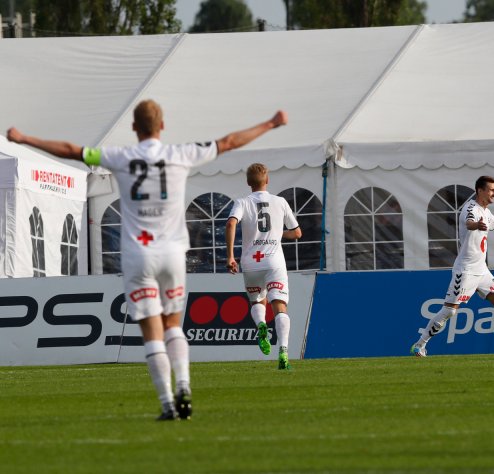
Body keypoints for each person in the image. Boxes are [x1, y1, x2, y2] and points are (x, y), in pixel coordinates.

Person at [6, 100, 288, 420]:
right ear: (162, 126)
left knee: (151, 332)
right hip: (172, 254)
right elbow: (229, 142)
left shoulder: (120, 156)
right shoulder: (179, 154)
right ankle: (184, 386)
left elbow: (73, 150)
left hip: (139, 256)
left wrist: (26, 138)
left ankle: (168, 403)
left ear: (133, 128)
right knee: (173, 326)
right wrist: (270, 124)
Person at [411, 175, 494, 357]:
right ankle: (419, 344)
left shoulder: (485, 211)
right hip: (466, 270)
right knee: (449, 311)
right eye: (491, 190)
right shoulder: (471, 208)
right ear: (480, 190)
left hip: (482, 270)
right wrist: (476, 225)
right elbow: (469, 222)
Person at [225, 163, 301, 370]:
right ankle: (283, 352)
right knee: (279, 306)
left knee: (257, 301)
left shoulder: (242, 202)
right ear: (267, 180)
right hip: (274, 261)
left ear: (248, 182)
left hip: (251, 262)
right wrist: (277, 233)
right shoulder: (280, 201)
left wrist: (231, 256)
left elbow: (231, 223)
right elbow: (296, 233)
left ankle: (261, 326)